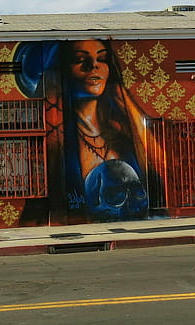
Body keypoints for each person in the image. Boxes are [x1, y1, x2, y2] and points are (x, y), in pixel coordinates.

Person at [60, 40, 149, 221]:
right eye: (79, 59)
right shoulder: (60, 139)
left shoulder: (122, 133)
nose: (93, 66)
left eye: (102, 59)